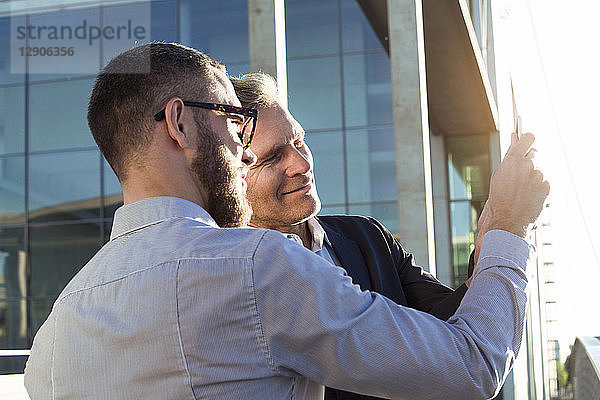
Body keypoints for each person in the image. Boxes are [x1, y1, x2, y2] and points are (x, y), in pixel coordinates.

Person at [24, 43, 549, 400]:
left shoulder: (53, 337)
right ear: (179, 124)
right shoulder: (258, 268)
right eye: (232, 120)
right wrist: (507, 222)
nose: (238, 145)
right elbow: (472, 363)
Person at [229, 72, 476, 400]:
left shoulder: (367, 237)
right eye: (274, 157)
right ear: (232, 176)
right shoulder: (233, 281)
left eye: (299, 141)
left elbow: (454, 334)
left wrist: (494, 245)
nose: (302, 163)